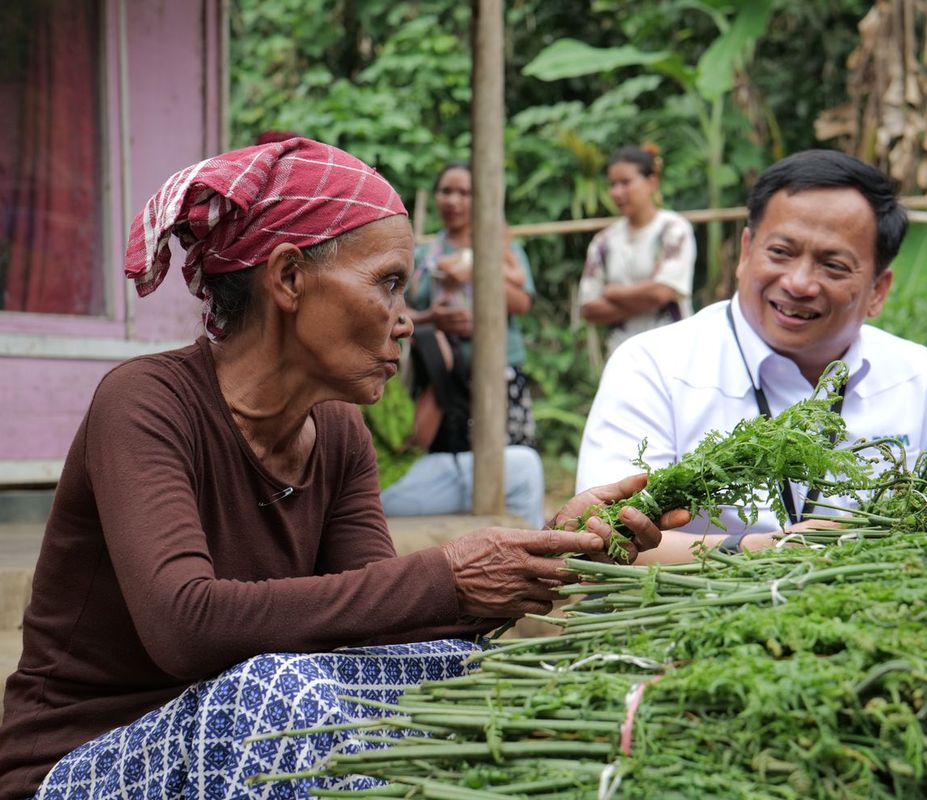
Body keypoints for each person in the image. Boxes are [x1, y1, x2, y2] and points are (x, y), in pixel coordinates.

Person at [0, 138, 682, 798]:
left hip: (253, 747)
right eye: (387, 284)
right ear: (290, 278)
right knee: (277, 692)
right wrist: (449, 575)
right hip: (79, 764)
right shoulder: (146, 404)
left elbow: (384, 623)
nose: (405, 318)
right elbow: (185, 626)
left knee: (454, 671)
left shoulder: (338, 432)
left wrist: (548, 553)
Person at [576, 149, 927, 563]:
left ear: (878, 290)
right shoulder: (654, 365)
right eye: (780, 252)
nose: (798, 282)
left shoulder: (914, 375)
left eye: (833, 264)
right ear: (745, 251)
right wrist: (763, 550)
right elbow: (606, 542)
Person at [371, 162, 544, 527]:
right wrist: (434, 318)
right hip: (440, 378)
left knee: (501, 463)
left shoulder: (500, 249)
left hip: (496, 374)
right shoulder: (424, 256)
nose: (454, 200)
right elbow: (401, 310)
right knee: (453, 456)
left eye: (465, 192)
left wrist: (480, 272)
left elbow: (523, 302)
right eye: (447, 191)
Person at [579, 144, 697, 354]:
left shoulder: (673, 229)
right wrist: (649, 291)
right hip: (622, 356)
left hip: (674, 354)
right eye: (612, 184)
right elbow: (588, 308)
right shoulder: (604, 241)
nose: (616, 192)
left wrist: (612, 292)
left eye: (625, 182)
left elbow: (662, 292)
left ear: (652, 182)